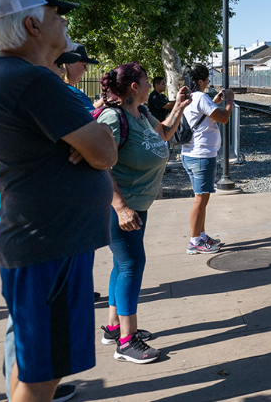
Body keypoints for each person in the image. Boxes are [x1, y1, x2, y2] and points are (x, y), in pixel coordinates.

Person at [0, 0, 117, 402]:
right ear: (33, 26)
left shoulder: (12, 75)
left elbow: (93, 148)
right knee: (44, 376)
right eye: (57, 14)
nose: (65, 22)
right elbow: (105, 152)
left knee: (33, 363)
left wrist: (85, 142)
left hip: (43, 244)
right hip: (49, 248)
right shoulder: (32, 80)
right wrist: (91, 141)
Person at [96, 63, 191, 363]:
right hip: (120, 208)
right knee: (132, 264)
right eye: (147, 81)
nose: (151, 85)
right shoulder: (113, 118)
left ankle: (114, 327)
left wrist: (179, 108)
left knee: (122, 263)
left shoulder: (142, 114)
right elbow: (99, 163)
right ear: (134, 87)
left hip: (137, 204)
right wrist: (120, 206)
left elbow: (162, 134)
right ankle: (127, 341)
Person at [181, 64, 234, 254]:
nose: (207, 84)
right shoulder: (200, 97)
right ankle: (195, 241)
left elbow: (203, 113)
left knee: (202, 198)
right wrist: (229, 101)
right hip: (201, 156)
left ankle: (201, 236)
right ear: (200, 81)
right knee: (200, 199)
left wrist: (216, 100)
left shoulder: (189, 97)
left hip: (191, 154)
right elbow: (223, 118)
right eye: (207, 80)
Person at [55, 45, 101, 112]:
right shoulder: (73, 94)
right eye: (83, 64)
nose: (86, 69)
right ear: (69, 63)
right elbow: (92, 116)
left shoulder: (54, 89)